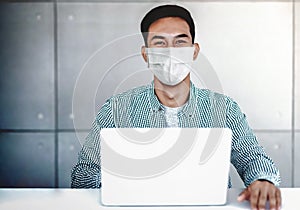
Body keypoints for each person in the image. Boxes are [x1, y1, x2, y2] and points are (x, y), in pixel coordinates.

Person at [71, 4, 281, 210]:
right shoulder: (117, 109)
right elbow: (84, 173)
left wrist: (263, 180)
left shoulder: (223, 109)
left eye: (180, 42)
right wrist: (119, 185)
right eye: (160, 43)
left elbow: (252, 158)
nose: (171, 52)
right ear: (146, 54)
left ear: (194, 51)